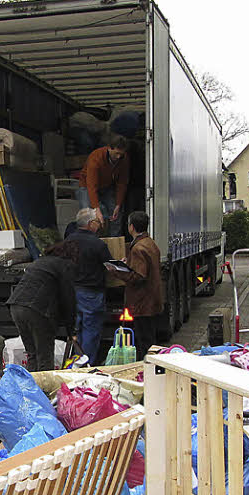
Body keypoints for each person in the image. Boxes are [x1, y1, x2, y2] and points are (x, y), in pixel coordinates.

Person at [6, 241, 78, 372]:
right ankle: (45, 389)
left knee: (32, 353)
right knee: (44, 355)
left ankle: (31, 388)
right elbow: (68, 298)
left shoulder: (40, 261)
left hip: (16, 306)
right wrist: (71, 329)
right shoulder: (64, 265)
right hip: (36, 309)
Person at [109, 211, 163, 359]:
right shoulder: (150, 243)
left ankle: (145, 371)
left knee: (144, 341)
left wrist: (116, 271)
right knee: (149, 338)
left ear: (131, 227)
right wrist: (128, 264)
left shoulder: (138, 248)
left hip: (142, 302)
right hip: (151, 299)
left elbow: (138, 276)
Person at [65, 208, 113, 366]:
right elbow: (110, 266)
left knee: (76, 331)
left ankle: (74, 363)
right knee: (91, 331)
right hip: (91, 293)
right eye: (97, 222)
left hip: (72, 291)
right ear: (91, 224)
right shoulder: (98, 244)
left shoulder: (68, 241)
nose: (99, 225)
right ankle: (86, 366)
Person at [79, 134, 130, 237]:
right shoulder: (96, 158)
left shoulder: (124, 159)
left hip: (107, 186)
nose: (119, 156)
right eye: (116, 153)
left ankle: (115, 242)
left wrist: (118, 204)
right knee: (88, 215)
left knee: (116, 214)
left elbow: (122, 182)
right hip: (87, 186)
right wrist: (96, 209)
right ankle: (90, 240)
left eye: (121, 154)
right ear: (109, 149)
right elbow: (91, 185)